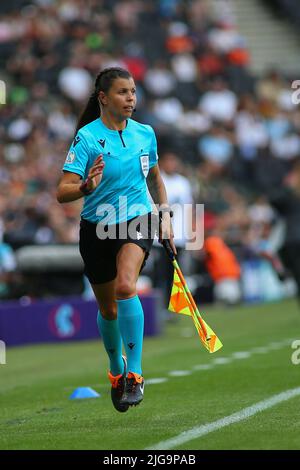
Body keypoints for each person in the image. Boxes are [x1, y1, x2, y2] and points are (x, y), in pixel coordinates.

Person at [56, 67, 175, 412]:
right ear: (104, 98)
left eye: (133, 92)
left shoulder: (145, 134)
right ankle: (116, 369)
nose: (131, 99)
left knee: (126, 287)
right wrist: (84, 187)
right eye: (123, 93)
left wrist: (164, 214)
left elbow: (154, 178)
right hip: (96, 228)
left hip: (135, 218)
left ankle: (135, 374)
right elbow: (61, 191)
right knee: (108, 309)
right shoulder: (87, 138)